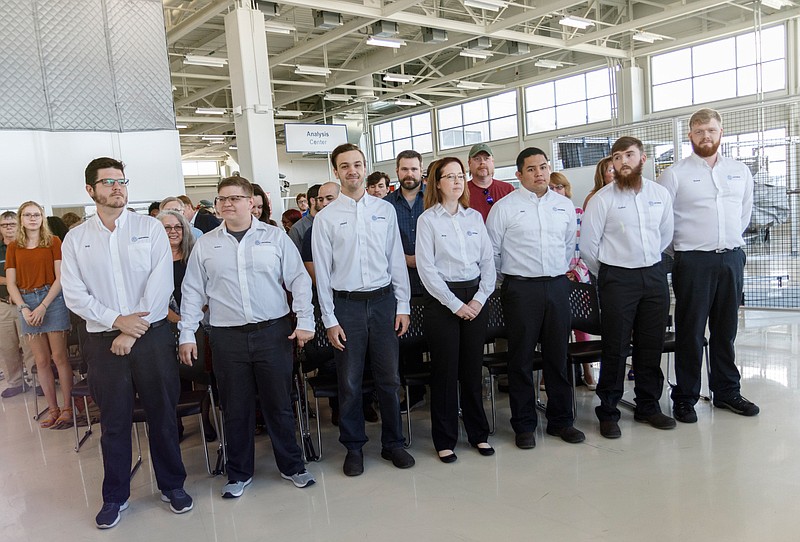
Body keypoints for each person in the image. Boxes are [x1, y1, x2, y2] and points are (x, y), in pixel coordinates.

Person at [61, 158, 192, 528]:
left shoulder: (148, 228)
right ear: (91, 190)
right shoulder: (76, 239)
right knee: (114, 422)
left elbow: (160, 283)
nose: (117, 187)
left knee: (162, 415)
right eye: (108, 182)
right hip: (104, 343)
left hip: (150, 338)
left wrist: (131, 329)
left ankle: (173, 485)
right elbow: (74, 294)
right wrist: (117, 323)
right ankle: (115, 496)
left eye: (121, 181)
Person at [179, 175, 316, 499]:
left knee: (279, 404)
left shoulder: (274, 237)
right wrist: (187, 333)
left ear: (250, 201)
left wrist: (306, 320)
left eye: (235, 198)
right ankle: (238, 474)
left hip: (273, 332)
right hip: (227, 337)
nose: (227, 203)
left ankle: (292, 466)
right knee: (235, 407)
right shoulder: (206, 244)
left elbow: (298, 280)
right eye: (222, 198)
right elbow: (192, 291)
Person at [312, 143, 415, 476]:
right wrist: (329, 319)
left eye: (357, 164)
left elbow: (396, 260)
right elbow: (323, 275)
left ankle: (393, 444)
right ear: (336, 171)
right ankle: (353, 447)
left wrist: (403, 304)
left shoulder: (384, 210)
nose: (352, 171)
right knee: (351, 382)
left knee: (389, 379)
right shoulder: (326, 218)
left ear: (365, 166)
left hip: (384, 303)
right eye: (344, 166)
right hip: (347, 307)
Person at [658, 108, 760, 421]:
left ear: (721, 132)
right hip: (693, 261)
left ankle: (727, 392)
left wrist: (727, 243)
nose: (706, 137)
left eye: (711, 131)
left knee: (726, 330)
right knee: (690, 332)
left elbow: (743, 214)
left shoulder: (739, 171)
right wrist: (684, 252)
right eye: (700, 132)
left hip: (730, 257)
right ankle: (685, 397)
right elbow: (664, 222)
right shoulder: (674, 174)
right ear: (690, 136)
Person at [486, 147, 585, 449]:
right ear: (519, 175)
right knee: (521, 359)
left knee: (558, 356)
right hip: (520, 289)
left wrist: (554, 273)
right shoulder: (504, 208)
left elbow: (569, 246)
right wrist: (514, 280)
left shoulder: (563, 205)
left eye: (543, 166)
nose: (539, 173)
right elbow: (493, 253)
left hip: (556, 286)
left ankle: (561, 421)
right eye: (531, 169)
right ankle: (524, 425)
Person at [581, 136, 676, 439]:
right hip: (617, 279)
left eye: (629, 155)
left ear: (642, 159)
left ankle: (648, 406)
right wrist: (611, 273)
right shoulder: (602, 199)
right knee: (615, 348)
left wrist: (647, 264)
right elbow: (588, 248)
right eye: (617, 157)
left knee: (651, 345)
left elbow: (665, 236)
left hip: (653, 276)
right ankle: (608, 412)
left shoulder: (660, 194)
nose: (622, 162)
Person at [416, 157, 495, 463]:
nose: (457, 181)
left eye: (460, 176)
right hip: (442, 300)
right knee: (446, 372)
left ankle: (479, 434)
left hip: (475, 296)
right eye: (449, 176)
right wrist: (455, 304)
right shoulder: (428, 221)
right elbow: (426, 269)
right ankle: (445, 439)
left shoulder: (474, 217)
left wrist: (478, 299)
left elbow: (488, 262)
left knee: (472, 370)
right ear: (437, 183)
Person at [6, 201, 73, 429]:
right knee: (41, 361)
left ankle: (67, 408)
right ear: (21, 219)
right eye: (27, 215)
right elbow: (11, 284)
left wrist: (43, 306)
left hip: (51, 299)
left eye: (36, 215)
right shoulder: (14, 246)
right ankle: (53, 409)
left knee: (59, 357)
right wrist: (24, 307)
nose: (32, 218)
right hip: (25, 301)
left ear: (42, 218)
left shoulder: (53, 241)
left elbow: (60, 278)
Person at [384, 150, 426, 411]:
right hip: (397, 283)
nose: (409, 174)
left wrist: (419, 260)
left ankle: (435, 387)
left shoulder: (434, 200)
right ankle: (412, 392)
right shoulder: (385, 205)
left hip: (431, 281)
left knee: (431, 336)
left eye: (413, 169)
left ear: (421, 170)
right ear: (397, 172)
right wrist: (404, 260)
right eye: (404, 169)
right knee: (404, 339)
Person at [548, 172, 596, 390]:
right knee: (554, 329)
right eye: (552, 187)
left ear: (566, 189)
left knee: (581, 329)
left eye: (560, 187)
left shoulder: (580, 214)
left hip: (578, 280)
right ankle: (549, 375)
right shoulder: (544, 216)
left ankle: (587, 371)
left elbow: (588, 248)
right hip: (553, 279)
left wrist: (576, 273)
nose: (556, 191)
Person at [0, 211, 35, 398]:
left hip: (26, 302)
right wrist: (9, 283)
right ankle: (15, 382)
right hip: (3, 305)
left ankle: (36, 380)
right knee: (6, 346)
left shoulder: (26, 246)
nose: (8, 228)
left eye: (12, 224)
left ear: (19, 225)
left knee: (30, 343)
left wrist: (17, 290)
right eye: (4, 225)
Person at [467, 143, 514, 222]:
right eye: (477, 159)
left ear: (493, 162)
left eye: (486, 158)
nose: (482, 162)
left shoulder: (508, 190)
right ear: (469, 163)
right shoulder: (461, 192)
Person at [288, 184, 321, 250]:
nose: (326, 203)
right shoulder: (297, 229)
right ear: (312, 201)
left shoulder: (333, 223)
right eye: (321, 199)